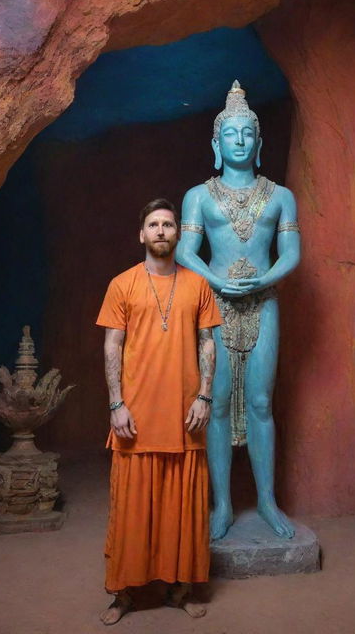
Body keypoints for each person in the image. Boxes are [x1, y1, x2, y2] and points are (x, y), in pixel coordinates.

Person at [176, 81, 301, 541]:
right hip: (217, 305)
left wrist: (264, 280)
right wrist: (217, 281)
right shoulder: (200, 196)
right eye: (231, 134)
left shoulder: (281, 195)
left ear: (260, 141)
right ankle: (223, 504)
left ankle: (267, 500)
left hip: (264, 303)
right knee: (219, 401)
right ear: (216, 143)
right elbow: (187, 251)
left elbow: (291, 253)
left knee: (263, 401)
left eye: (248, 134)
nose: (241, 142)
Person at [96, 198, 222, 625]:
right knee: (131, 509)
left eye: (169, 224)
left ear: (178, 234)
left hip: (185, 414)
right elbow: (112, 345)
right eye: (154, 224)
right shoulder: (122, 284)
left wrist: (205, 396)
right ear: (142, 234)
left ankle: (180, 588)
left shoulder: (198, 286)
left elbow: (208, 343)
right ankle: (124, 594)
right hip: (136, 417)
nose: (162, 231)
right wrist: (116, 404)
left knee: (182, 507)